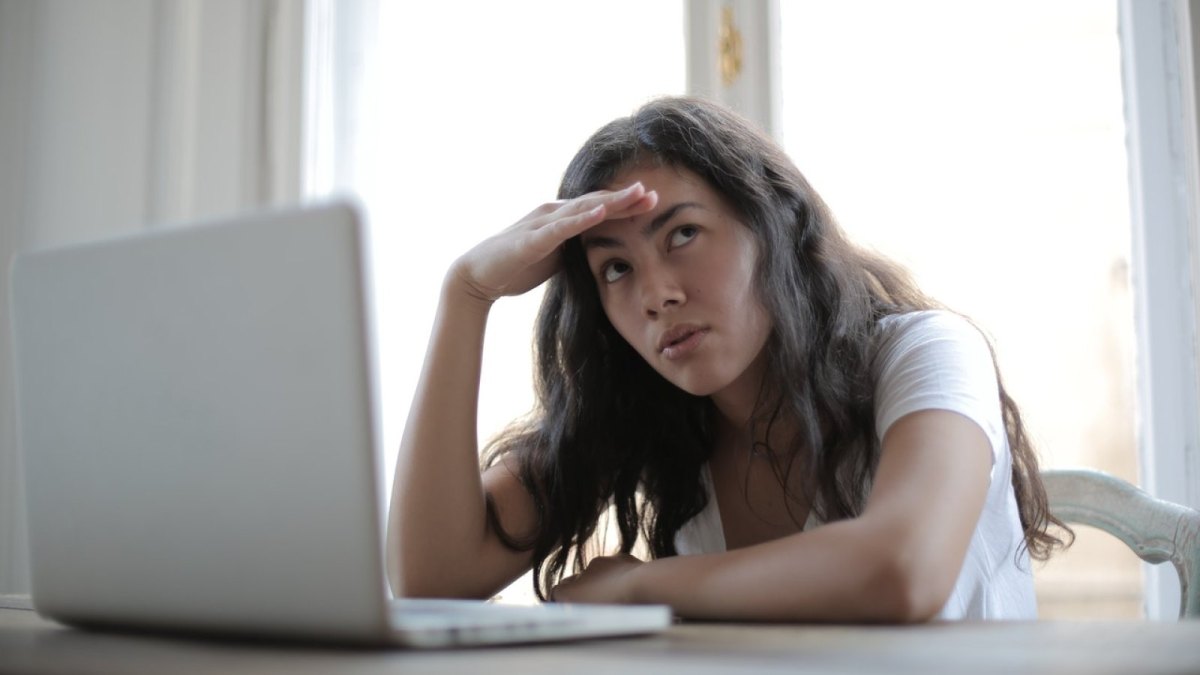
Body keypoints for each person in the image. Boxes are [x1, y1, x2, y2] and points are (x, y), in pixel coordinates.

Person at [386, 95, 1071, 622]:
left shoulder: (926, 352)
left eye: (682, 232)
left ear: (773, 223)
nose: (657, 293)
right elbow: (431, 578)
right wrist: (466, 294)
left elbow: (904, 568)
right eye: (616, 269)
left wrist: (637, 585)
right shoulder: (650, 410)